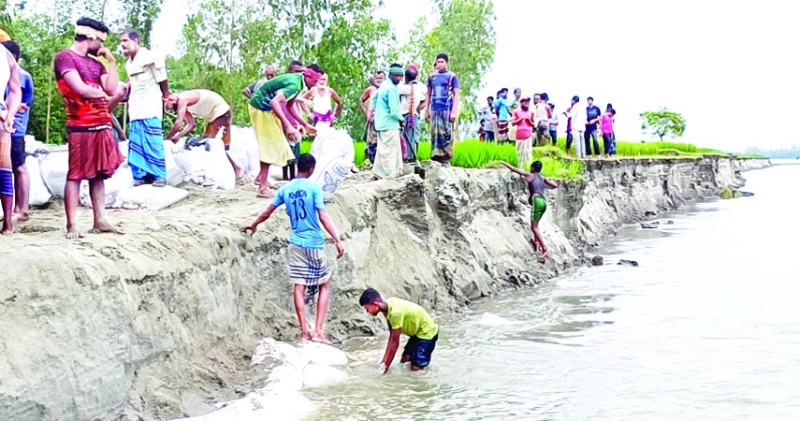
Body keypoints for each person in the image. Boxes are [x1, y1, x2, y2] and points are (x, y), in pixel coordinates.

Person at [242, 153, 345, 344]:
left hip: (295, 243)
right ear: (312, 169)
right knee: (324, 284)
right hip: (313, 242)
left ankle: (305, 332)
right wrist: (337, 239)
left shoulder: (285, 189)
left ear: (298, 167)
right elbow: (323, 216)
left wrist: (253, 224)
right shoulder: (314, 188)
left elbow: (268, 212)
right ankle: (318, 332)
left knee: (299, 287)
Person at [53, 17, 124, 239]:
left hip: (101, 123)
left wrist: (112, 62)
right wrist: (101, 94)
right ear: (91, 37)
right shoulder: (65, 58)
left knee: (99, 175)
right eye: (101, 42)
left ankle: (100, 219)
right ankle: (72, 224)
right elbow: (79, 88)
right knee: (75, 174)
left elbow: (112, 88)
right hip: (80, 124)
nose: (102, 47)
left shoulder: (97, 64)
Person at [248, 64, 321, 198]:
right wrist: (288, 126)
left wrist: (304, 124)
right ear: (308, 76)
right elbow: (274, 103)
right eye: (315, 81)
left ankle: (260, 178)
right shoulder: (294, 84)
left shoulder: (298, 82)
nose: (316, 85)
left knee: (277, 144)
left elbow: (289, 105)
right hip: (261, 108)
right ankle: (262, 187)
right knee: (269, 145)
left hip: (267, 109)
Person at [120, 28, 170, 187]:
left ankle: (159, 175)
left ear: (136, 41)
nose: (123, 45)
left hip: (151, 105)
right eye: (121, 42)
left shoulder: (151, 57)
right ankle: (141, 175)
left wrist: (166, 97)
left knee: (152, 140)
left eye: (125, 41)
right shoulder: (128, 64)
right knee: (136, 142)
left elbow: (162, 79)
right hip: (135, 107)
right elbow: (132, 84)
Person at [164, 89, 243, 178]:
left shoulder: (183, 99)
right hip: (214, 116)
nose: (173, 110)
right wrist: (178, 136)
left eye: (170, 107)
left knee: (212, 144)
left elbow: (179, 124)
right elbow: (191, 124)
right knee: (212, 144)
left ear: (171, 100)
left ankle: (236, 169)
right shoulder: (184, 102)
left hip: (221, 112)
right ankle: (235, 168)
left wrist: (167, 138)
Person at [359, 288, 439, 373]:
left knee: (415, 367)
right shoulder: (388, 308)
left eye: (367, 308)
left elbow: (394, 343)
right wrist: (384, 362)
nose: (367, 312)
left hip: (427, 332)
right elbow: (392, 337)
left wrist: (384, 369)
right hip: (417, 333)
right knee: (405, 361)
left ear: (375, 305)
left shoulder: (395, 313)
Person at [500, 160, 557, 263]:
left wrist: (503, 162)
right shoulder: (542, 178)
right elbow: (554, 185)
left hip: (537, 201)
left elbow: (514, 169)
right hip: (544, 202)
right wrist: (545, 182)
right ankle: (537, 244)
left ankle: (544, 248)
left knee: (533, 227)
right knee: (536, 225)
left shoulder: (530, 175)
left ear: (532, 168)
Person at [2, 40, 33, 224]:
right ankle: (14, 209)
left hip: (14, 129)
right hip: (6, 125)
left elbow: (21, 104)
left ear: (12, 57)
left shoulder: (21, 76)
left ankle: (22, 209)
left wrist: (5, 110)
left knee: (19, 167)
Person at [0, 41, 20, 234]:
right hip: (2, 115)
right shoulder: (5, 54)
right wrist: (9, 114)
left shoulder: (5, 54)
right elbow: (15, 91)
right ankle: (7, 224)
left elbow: (15, 91)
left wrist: (9, 114)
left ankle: (8, 223)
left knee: (4, 167)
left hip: (1, 115)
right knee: (3, 167)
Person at [426, 53, 460, 166]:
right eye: (438, 62)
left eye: (442, 62)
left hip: (447, 109)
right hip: (435, 109)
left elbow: (456, 94)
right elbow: (428, 94)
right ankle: (436, 156)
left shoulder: (452, 76)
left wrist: (454, 111)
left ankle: (446, 156)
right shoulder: (431, 77)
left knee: (446, 133)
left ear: (446, 63)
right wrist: (427, 110)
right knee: (435, 133)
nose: (440, 64)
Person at [371, 64, 404, 179]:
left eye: (400, 76)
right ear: (390, 75)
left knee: (383, 149)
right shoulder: (391, 89)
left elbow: (374, 98)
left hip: (381, 122)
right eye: (396, 76)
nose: (398, 79)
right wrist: (402, 119)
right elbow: (394, 111)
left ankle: (378, 172)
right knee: (390, 151)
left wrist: (379, 112)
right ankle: (389, 175)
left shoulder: (384, 85)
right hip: (390, 124)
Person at [397, 66, 427, 162]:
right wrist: (418, 108)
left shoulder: (406, 88)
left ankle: (408, 158)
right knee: (413, 137)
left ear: (405, 77)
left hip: (407, 115)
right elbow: (425, 99)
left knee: (407, 137)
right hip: (414, 115)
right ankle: (411, 157)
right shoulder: (420, 87)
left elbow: (393, 89)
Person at [359, 71, 384, 164]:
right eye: (377, 78)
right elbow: (361, 100)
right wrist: (366, 112)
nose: (379, 80)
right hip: (372, 118)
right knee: (371, 141)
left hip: (382, 119)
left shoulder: (386, 89)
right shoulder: (370, 90)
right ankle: (369, 160)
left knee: (380, 141)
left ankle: (379, 162)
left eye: (381, 78)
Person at [511, 97, 534, 170]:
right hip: (520, 135)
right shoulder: (516, 112)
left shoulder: (531, 112)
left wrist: (529, 121)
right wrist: (521, 119)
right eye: (525, 102)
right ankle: (519, 168)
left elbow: (534, 124)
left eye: (528, 102)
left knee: (528, 152)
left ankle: (527, 167)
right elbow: (513, 123)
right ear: (521, 103)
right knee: (519, 152)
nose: (526, 104)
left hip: (528, 134)